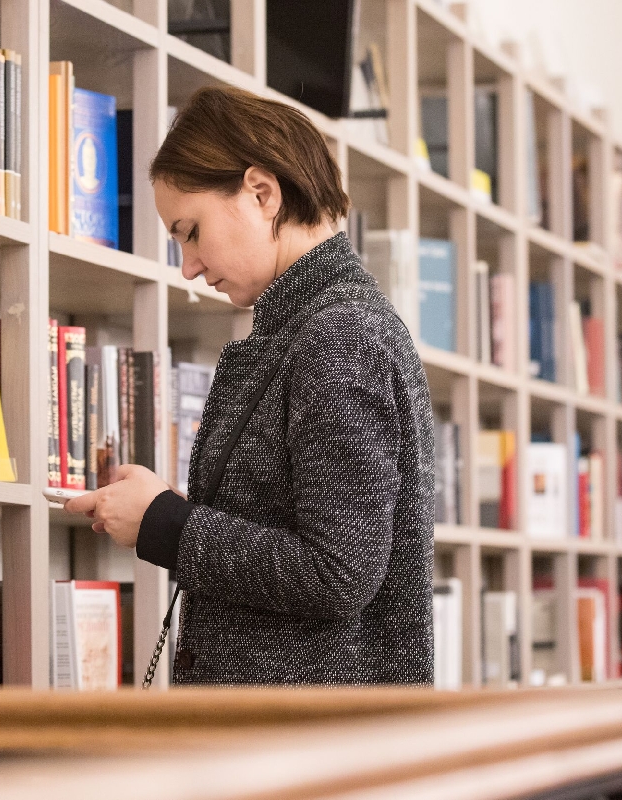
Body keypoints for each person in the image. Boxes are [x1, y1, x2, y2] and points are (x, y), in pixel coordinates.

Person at [65, 86, 435, 686]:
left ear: (262, 193)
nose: (187, 265)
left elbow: (339, 572)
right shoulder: (312, 329)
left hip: (306, 733)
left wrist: (165, 523)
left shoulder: (338, 336)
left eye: (191, 231)